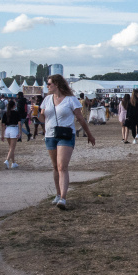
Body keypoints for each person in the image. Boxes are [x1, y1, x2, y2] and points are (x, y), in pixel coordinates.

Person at [38, 74, 96, 210]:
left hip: (66, 135)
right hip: (50, 135)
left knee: (62, 166)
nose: (47, 86)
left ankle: (63, 198)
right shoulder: (46, 100)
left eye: (49, 83)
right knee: (55, 167)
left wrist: (89, 134)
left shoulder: (71, 100)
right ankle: (58, 194)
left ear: (57, 84)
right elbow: (42, 119)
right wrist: (34, 114)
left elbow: (81, 119)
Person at [1, 99, 22, 169]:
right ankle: (7, 160)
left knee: (11, 147)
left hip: (7, 129)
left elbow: (3, 124)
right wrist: (20, 132)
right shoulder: (16, 113)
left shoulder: (5, 113)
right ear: (14, 106)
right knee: (12, 148)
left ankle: (13, 162)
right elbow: (19, 123)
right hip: (14, 129)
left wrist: (2, 134)